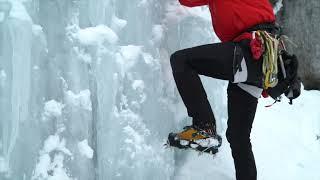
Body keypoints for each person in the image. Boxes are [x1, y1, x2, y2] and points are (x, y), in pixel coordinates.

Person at [169, 0, 276, 180]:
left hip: (250, 50)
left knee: (181, 60)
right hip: (261, 59)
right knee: (238, 137)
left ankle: (204, 127)